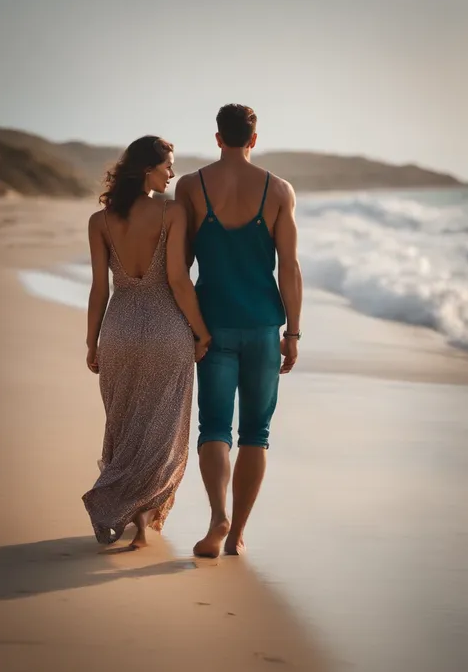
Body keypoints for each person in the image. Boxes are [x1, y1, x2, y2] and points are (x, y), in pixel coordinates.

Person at [175, 104, 303, 557]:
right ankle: (237, 535)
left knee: (213, 427)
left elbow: (180, 264)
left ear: (217, 138)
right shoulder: (278, 190)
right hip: (265, 325)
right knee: (256, 432)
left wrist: (184, 323)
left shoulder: (191, 186)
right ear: (254, 138)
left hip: (210, 325)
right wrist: (294, 332)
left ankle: (217, 518)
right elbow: (288, 267)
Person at [82, 135, 211, 549]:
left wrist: (92, 342)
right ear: (146, 170)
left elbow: (99, 287)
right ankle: (136, 524)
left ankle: (121, 512)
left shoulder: (100, 221)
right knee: (160, 432)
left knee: (124, 426)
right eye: (168, 165)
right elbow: (177, 280)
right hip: (165, 330)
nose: (172, 173)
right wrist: (202, 331)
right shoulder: (170, 213)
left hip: (118, 331)